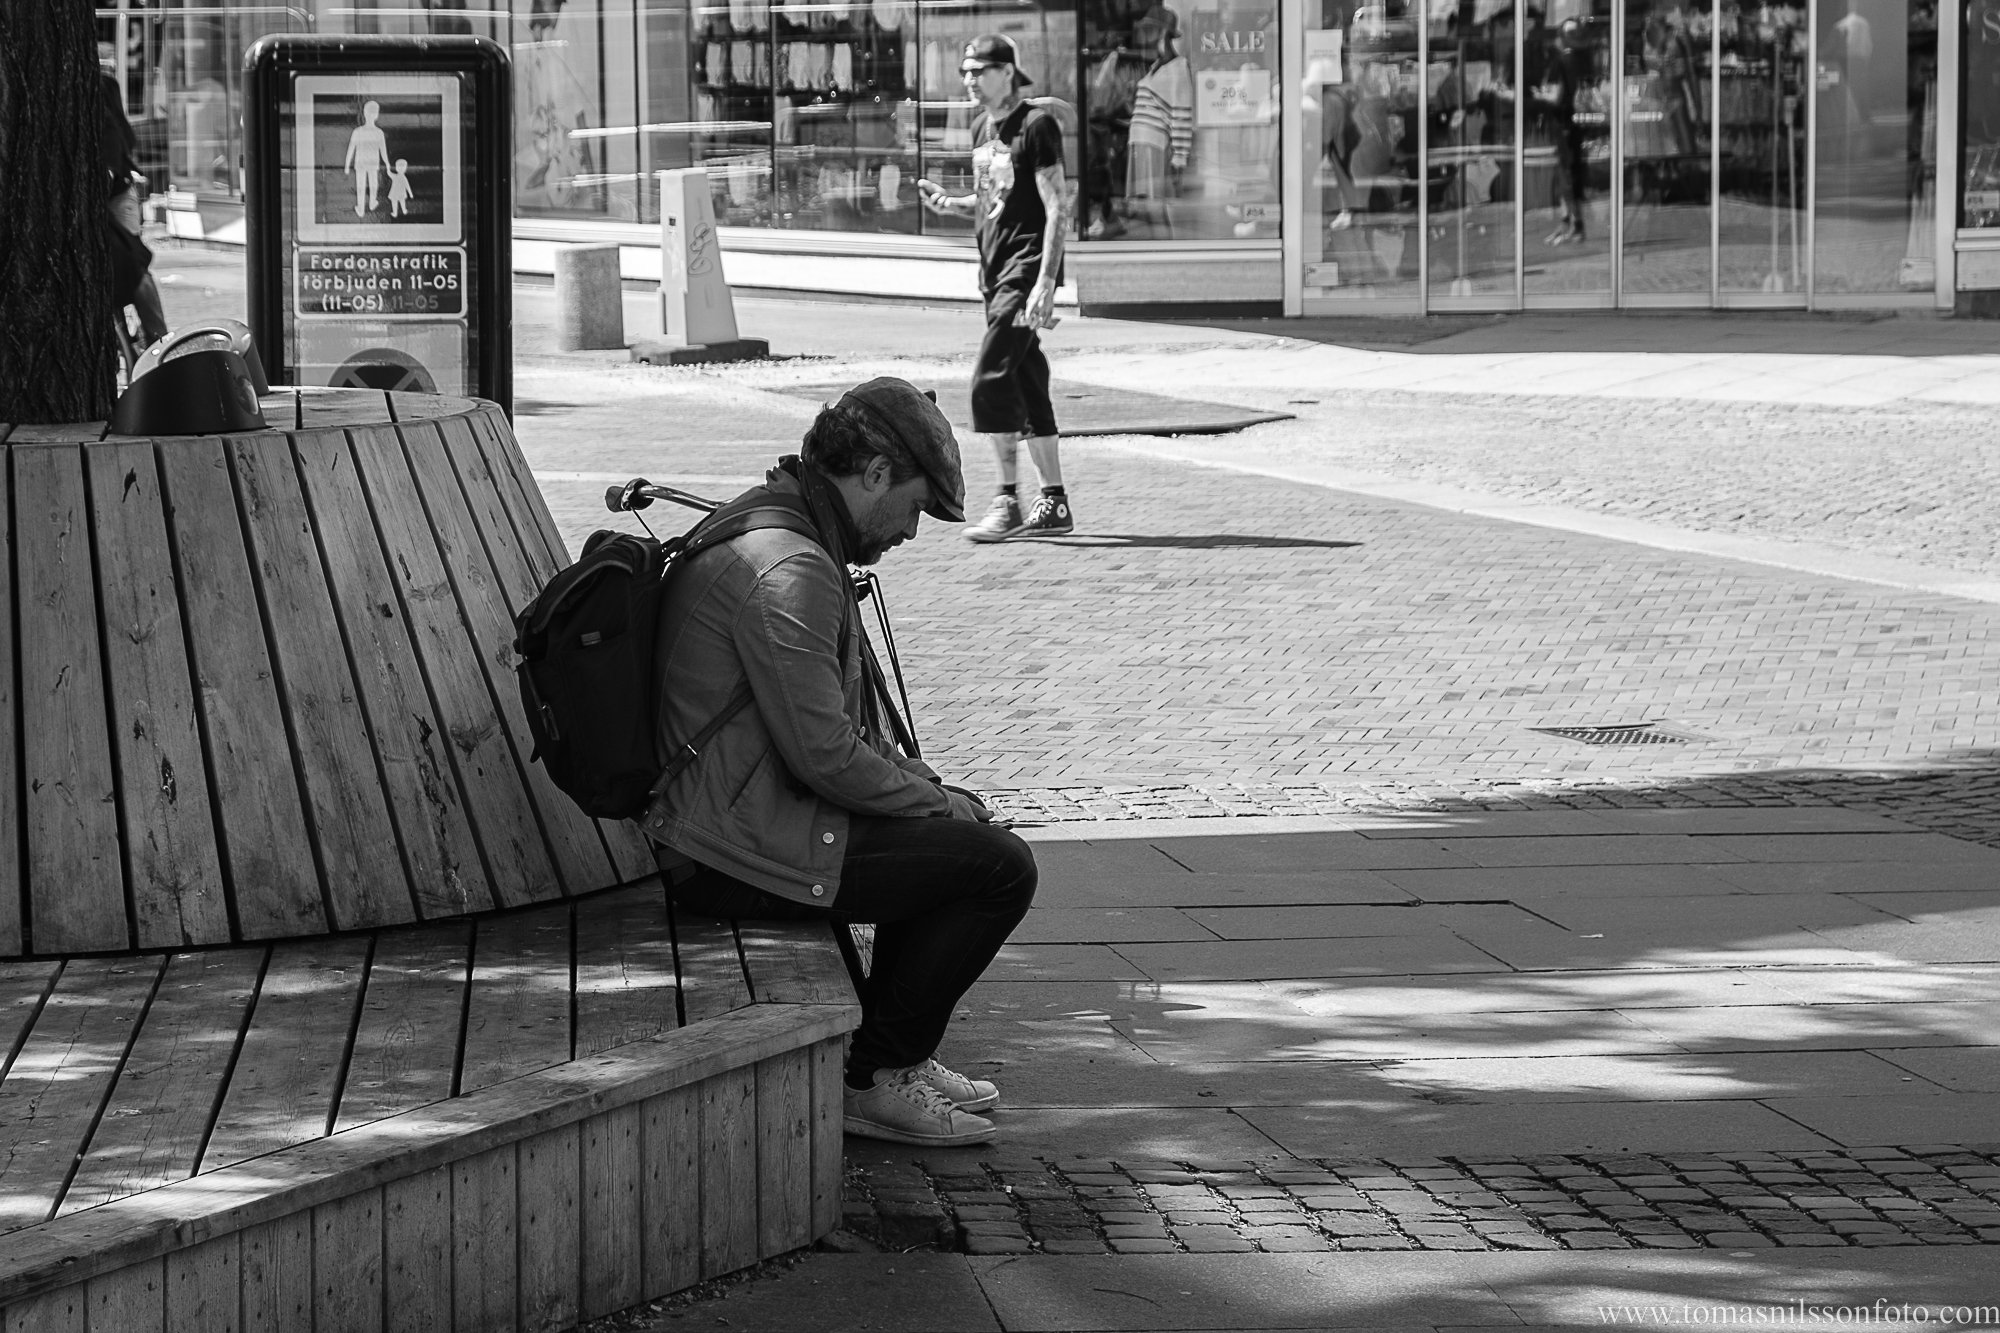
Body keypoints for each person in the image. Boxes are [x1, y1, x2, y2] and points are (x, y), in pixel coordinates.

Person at [642, 376, 1038, 1147]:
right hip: (726, 851)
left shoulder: (785, 529)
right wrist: (937, 806)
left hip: (734, 822)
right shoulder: (789, 566)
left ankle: (899, 1052)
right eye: (917, 507)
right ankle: (876, 1078)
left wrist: (933, 791)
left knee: (949, 840)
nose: (912, 532)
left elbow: (836, 735)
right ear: (878, 473)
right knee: (998, 868)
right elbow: (826, 756)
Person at [917, 35, 1075, 542]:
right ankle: (1054, 504)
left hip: (1025, 270)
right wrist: (952, 202)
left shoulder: (1036, 125)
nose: (969, 80)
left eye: (979, 70)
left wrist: (1046, 282)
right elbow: (995, 197)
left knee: (990, 376)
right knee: (1028, 377)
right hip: (994, 270)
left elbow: (1057, 206)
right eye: (964, 71)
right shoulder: (983, 127)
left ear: (1007, 72)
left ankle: (1007, 499)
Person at [99, 58, 169, 346]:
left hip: (118, 198)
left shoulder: (108, 127)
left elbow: (111, 167)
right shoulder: (110, 122)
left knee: (132, 261)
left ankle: (157, 334)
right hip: (115, 196)